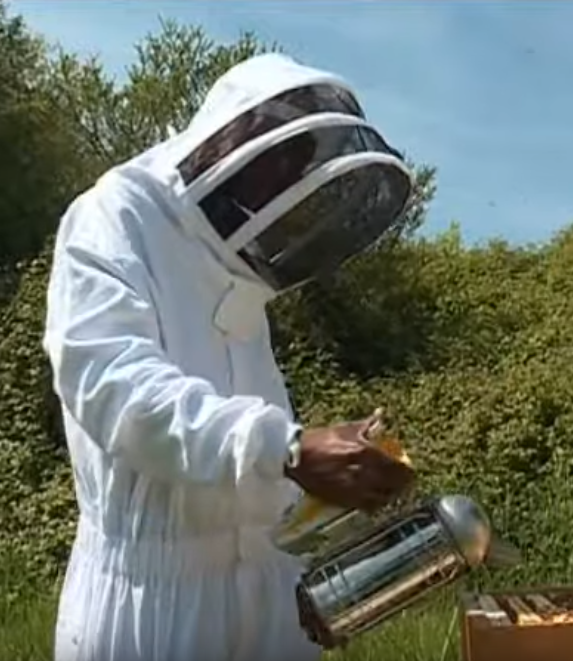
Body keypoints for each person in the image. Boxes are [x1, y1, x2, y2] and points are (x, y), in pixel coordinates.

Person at [43, 53, 417, 661]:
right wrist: (290, 448)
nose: (281, 190)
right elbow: (117, 389)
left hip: (266, 608)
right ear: (235, 142)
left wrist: (323, 490)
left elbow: (247, 448)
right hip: (147, 616)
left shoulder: (235, 265)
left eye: (296, 172)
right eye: (275, 167)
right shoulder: (115, 218)